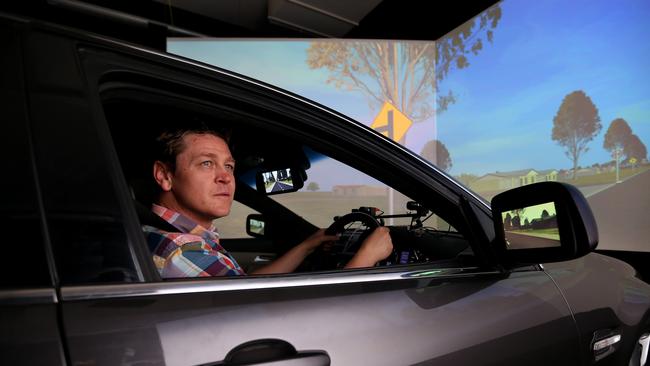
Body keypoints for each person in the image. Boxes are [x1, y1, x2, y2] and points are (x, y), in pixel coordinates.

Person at [143, 127, 393, 278]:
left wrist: (308, 245)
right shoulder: (184, 254)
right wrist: (366, 257)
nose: (226, 177)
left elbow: (243, 288)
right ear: (164, 175)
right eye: (206, 163)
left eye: (229, 166)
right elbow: (302, 324)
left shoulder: (168, 236)